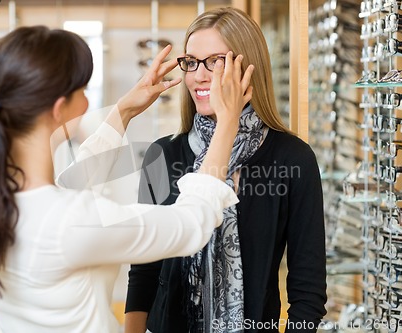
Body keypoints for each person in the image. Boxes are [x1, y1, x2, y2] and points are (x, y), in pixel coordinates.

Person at [0, 25, 255, 333]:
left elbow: (62, 195)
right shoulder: (74, 221)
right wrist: (228, 123)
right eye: (82, 91)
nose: (86, 101)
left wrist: (122, 112)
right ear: (59, 109)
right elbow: (192, 224)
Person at [124, 7, 327, 333]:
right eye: (191, 62)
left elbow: (307, 286)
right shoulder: (162, 154)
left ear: (248, 69)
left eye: (216, 61)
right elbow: (144, 267)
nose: (199, 75)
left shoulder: (293, 158)